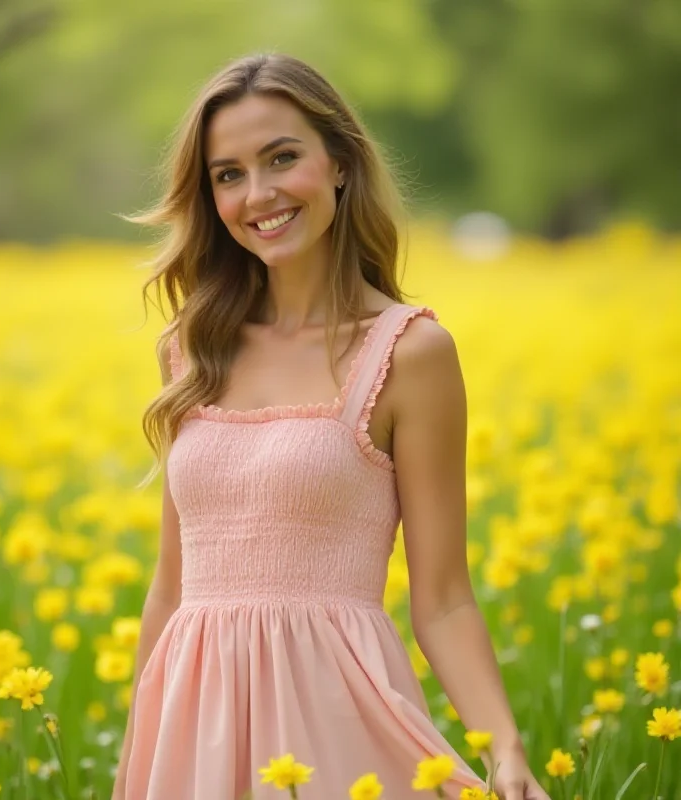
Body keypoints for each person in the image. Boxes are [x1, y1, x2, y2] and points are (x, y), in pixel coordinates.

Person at [113, 52, 551, 800]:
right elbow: (172, 584)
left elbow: (443, 596)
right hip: (192, 735)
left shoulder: (410, 352)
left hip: (336, 724)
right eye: (228, 174)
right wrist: (140, 758)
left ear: (340, 163)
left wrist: (504, 750)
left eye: (282, 158)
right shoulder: (190, 349)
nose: (259, 194)